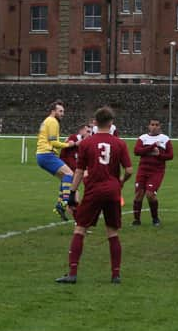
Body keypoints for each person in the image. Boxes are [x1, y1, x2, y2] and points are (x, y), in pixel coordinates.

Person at [56, 106, 133, 284]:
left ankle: (73, 273)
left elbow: (79, 171)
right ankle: (115, 275)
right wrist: (120, 182)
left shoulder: (86, 143)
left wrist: (71, 193)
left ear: (95, 123)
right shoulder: (119, 143)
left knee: (80, 228)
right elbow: (129, 170)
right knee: (112, 232)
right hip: (113, 190)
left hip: (93, 190)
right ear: (111, 122)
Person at [36, 100, 77, 221]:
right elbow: (53, 142)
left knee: (65, 179)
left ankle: (60, 205)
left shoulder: (47, 121)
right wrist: (69, 145)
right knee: (70, 174)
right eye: (60, 111)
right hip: (47, 155)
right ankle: (64, 202)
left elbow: (50, 140)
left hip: (42, 155)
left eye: (63, 111)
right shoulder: (53, 121)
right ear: (53, 111)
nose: (62, 113)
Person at [132, 119, 173, 226]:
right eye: (152, 124)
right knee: (138, 194)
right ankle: (136, 220)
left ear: (160, 126)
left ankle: (155, 219)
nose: (154, 126)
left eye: (157, 125)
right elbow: (136, 151)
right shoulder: (143, 138)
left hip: (156, 171)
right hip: (143, 170)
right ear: (148, 126)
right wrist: (152, 146)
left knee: (150, 194)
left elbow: (170, 156)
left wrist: (158, 155)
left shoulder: (165, 139)